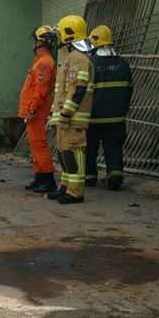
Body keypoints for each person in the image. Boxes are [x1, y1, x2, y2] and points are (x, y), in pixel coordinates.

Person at [48, 15, 93, 204]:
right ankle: (66, 187)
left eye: (59, 34)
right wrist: (54, 114)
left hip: (73, 118)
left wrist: (66, 113)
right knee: (63, 151)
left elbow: (78, 89)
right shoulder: (68, 58)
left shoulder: (78, 59)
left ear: (68, 35)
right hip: (64, 119)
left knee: (73, 152)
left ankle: (76, 191)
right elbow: (62, 91)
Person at [85, 25, 133, 190]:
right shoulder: (123, 64)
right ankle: (115, 177)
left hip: (93, 117)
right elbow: (129, 90)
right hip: (116, 117)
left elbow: (84, 91)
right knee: (114, 148)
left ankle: (89, 177)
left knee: (90, 148)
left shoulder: (91, 64)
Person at [18, 25, 57, 193]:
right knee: (35, 145)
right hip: (33, 111)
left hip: (37, 112)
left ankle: (47, 179)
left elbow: (40, 91)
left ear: (40, 42)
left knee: (39, 145)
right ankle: (40, 177)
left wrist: (32, 110)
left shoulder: (45, 63)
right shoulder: (41, 62)